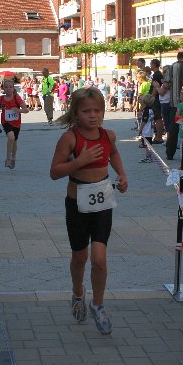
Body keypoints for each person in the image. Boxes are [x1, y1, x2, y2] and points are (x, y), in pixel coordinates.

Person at [50, 87, 128, 335]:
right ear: (76, 113)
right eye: (86, 111)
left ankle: (98, 304)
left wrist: (122, 174)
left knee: (99, 259)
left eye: (97, 110)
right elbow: (54, 172)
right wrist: (79, 162)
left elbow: (113, 154)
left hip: (102, 204)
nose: (93, 115)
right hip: (77, 205)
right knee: (80, 258)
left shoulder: (108, 135)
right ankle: (77, 293)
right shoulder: (70, 138)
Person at [0, 79, 29, 169]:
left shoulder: (17, 98)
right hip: (6, 121)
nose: (8, 89)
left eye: (10, 87)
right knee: (11, 137)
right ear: (3, 88)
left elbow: (26, 110)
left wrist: (18, 110)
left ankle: (13, 158)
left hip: (16, 122)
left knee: (14, 141)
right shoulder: (1, 98)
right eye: (6, 87)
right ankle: (8, 158)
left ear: (13, 88)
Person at [164, 51, 183, 160]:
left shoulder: (171, 67)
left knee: (173, 129)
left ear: (178, 57)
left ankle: (170, 153)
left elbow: (166, 84)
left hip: (174, 103)